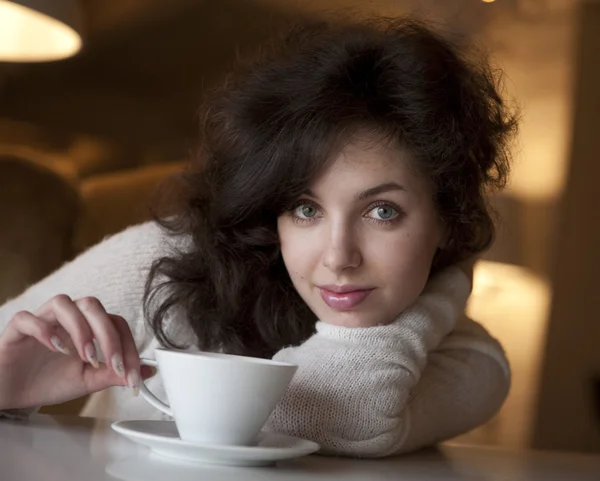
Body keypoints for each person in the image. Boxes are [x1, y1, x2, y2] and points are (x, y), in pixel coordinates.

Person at [0, 17, 517, 458]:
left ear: (447, 216)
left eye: (383, 211)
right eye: (305, 208)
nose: (339, 258)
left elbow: (320, 413)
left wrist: (447, 277)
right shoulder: (162, 261)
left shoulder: (468, 357)